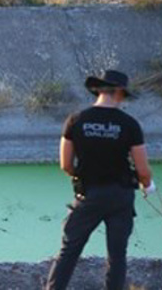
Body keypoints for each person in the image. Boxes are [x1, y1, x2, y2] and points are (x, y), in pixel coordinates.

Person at [46, 70, 154, 290]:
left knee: (69, 250)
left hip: (89, 194)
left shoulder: (76, 120)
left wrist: (82, 177)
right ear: (120, 93)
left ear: (99, 90)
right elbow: (142, 170)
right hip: (120, 196)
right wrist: (148, 184)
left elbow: (65, 164)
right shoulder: (130, 124)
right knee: (117, 255)